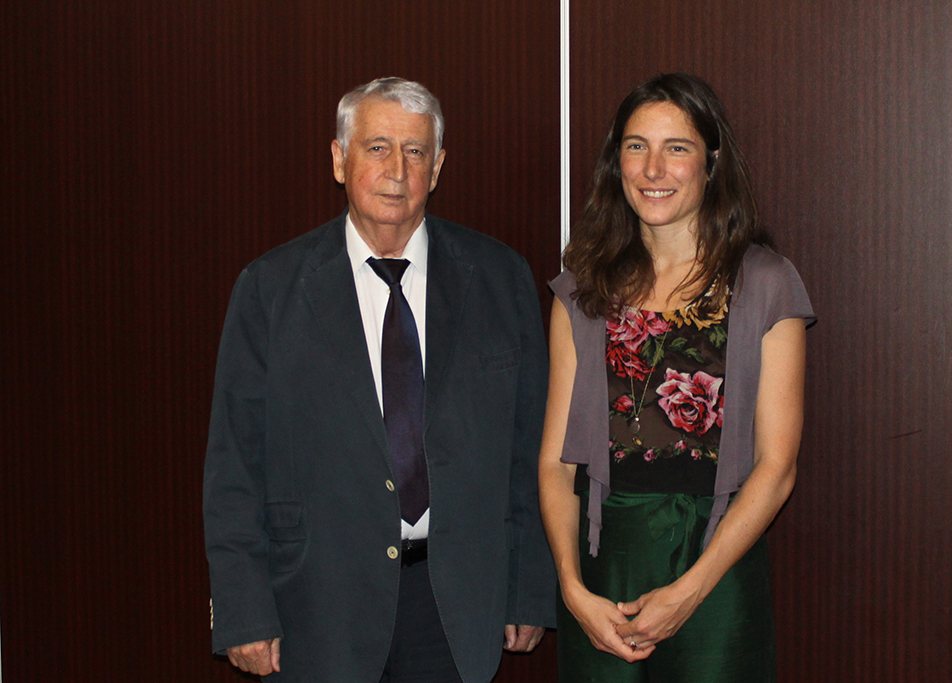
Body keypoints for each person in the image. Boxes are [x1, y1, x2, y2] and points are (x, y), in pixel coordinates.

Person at [203, 77, 555, 683]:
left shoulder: (500, 279)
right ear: (339, 160)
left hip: (455, 603)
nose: (397, 170)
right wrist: (242, 608)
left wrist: (528, 587)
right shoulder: (270, 289)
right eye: (377, 148)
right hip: (316, 603)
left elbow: (531, 449)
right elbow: (234, 464)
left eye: (415, 151)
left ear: (437, 168)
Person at [538, 72, 815, 682]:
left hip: (717, 566)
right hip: (602, 567)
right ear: (616, 162)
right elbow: (556, 465)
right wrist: (572, 590)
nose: (653, 169)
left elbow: (777, 467)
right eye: (636, 147)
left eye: (677, 148)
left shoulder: (765, 283)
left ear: (711, 163)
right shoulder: (582, 290)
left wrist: (691, 591)